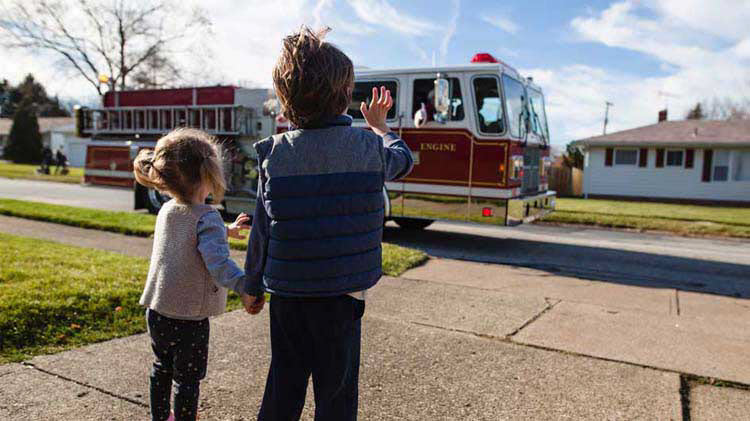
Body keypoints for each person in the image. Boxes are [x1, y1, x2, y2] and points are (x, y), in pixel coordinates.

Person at [242, 26, 414, 421]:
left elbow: (262, 230)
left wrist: (252, 284)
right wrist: (380, 126)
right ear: (345, 96)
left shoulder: (274, 155)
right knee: (336, 394)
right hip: (343, 295)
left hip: (288, 294)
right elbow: (403, 158)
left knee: (283, 385)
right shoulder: (369, 148)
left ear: (286, 100)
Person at [133, 128, 259, 421]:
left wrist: (224, 231)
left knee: (161, 368)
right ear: (208, 173)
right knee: (187, 380)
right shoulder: (208, 218)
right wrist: (243, 285)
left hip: (158, 310)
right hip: (188, 317)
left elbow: (186, 235)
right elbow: (218, 263)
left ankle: (161, 416)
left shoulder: (168, 210)